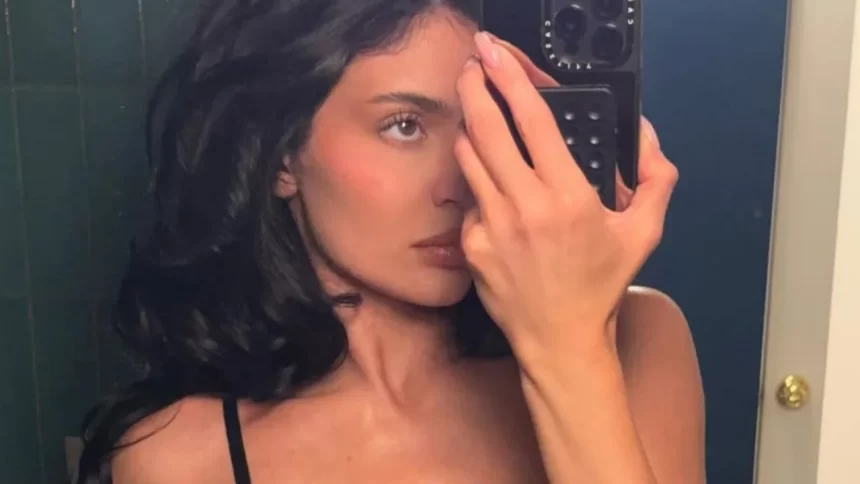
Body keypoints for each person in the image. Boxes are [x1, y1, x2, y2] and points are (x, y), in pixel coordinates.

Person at [76, 0, 704, 483]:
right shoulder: (180, 456)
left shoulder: (636, 342)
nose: (459, 183)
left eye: (479, 128)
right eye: (404, 126)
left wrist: (567, 351)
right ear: (282, 158)